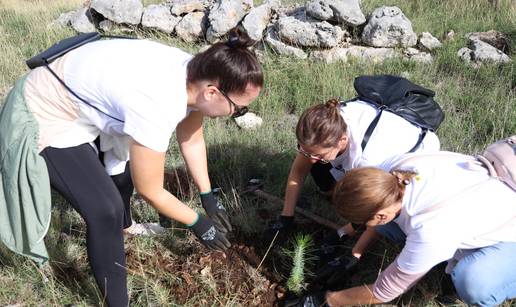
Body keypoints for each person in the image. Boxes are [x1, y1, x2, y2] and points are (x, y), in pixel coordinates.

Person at [0, 28, 263, 306]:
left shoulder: (197, 72)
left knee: (123, 173)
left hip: (78, 100)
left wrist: (208, 197)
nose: (237, 113)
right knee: (105, 211)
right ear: (212, 92)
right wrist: (197, 223)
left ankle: (126, 228)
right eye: (239, 108)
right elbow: (150, 189)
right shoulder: (158, 103)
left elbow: (192, 139)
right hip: (44, 110)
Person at [292, 151, 516, 306]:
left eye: (362, 222)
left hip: (509, 230)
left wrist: (330, 300)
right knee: (393, 229)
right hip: (480, 201)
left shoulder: (429, 229)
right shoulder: (391, 172)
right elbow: (381, 220)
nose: (359, 226)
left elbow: (383, 292)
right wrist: (353, 252)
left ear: (380, 215)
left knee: (473, 281)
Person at [268, 98, 440, 254]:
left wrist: (345, 235)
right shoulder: (326, 124)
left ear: (342, 141)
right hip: (369, 145)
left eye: (319, 154)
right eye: (306, 151)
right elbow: (299, 171)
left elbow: (379, 208)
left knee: (389, 224)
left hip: (412, 165)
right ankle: (336, 197)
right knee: (316, 164)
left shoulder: (369, 160)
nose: (311, 158)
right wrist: (286, 216)